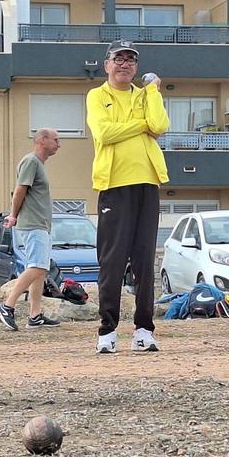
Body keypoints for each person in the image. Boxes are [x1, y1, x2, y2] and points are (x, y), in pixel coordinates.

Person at [86, 40, 170, 354]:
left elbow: (159, 125)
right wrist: (140, 125)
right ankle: (107, 331)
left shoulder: (145, 94)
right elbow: (104, 133)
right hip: (114, 185)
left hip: (147, 182)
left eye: (130, 61)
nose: (125, 65)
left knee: (145, 260)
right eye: (118, 59)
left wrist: (152, 92)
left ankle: (144, 330)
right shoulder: (97, 96)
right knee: (112, 260)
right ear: (107, 64)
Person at [0, 128, 62, 331]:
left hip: (40, 224)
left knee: (40, 270)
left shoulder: (38, 164)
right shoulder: (31, 162)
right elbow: (20, 190)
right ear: (42, 140)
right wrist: (13, 215)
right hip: (33, 224)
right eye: (56, 140)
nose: (59, 144)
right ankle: (7, 306)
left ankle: (35, 315)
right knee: (38, 267)